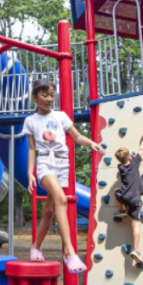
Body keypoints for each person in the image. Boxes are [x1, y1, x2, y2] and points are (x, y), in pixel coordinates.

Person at [25, 79, 102, 274]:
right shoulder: (31, 121)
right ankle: (69, 252)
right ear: (35, 97)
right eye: (44, 95)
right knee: (61, 200)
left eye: (52, 95)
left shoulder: (61, 116)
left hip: (62, 164)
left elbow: (77, 137)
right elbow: (32, 149)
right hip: (44, 163)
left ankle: (35, 247)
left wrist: (91, 143)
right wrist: (29, 173)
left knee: (49, 212)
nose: (49, 99)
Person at [113, 133, 143, 267]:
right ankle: (136, 249)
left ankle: (122, 210)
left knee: (116, 192)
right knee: (136, 224)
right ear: (130, 157)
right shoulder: (135, 163)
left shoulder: (121, 167)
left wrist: (126, 156)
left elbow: (124, 159)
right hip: (135, 198)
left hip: (125, 197)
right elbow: (142, 149)